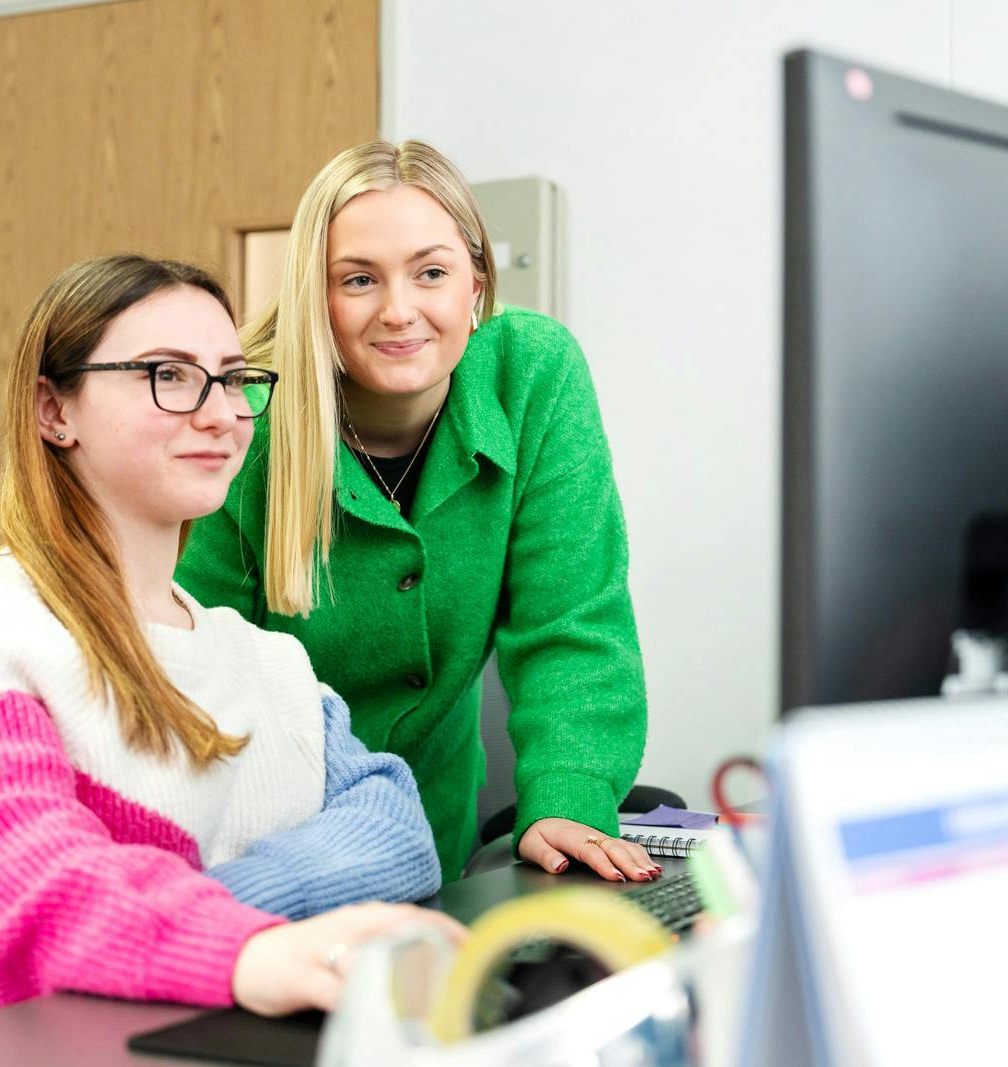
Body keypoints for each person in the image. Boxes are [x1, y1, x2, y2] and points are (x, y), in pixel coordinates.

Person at [0, 254, 460, 1018]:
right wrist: (245, 946)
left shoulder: (265, 656)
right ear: (55, 411)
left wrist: (194, 913)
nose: (221, 413)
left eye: (235, 378)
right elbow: (15, 900)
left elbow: (397, 834)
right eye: (169, 374)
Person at [177, 141, 657, 883]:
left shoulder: (533, 375)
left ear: (475, 285)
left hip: (433, 840)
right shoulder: (243, 421)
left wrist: (570, 795)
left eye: (431, 272)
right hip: (260, 853)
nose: (399, 311)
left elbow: (573, 622)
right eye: (359, 279)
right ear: (316, 297)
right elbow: (197, 678)